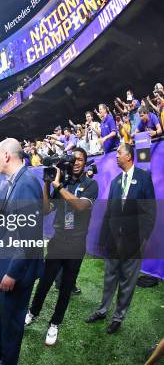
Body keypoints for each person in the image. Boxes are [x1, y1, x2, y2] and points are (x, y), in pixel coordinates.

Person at [0, 138, 43, 365]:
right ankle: (0, 351)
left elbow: (29, 236)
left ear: (6, 155)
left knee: (14, 318)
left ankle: (7, 361)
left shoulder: (26, 183)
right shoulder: (18, 180)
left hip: (18, 269)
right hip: (8, 259)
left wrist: (13, 272)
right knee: (6, 314)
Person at [24, 148, 98, 346]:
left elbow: (80, 206)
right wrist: (48, 185)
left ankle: (54, 324)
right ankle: (33, 312)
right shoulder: (63, 181)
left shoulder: (91, 184)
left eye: (80, 159)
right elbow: (46, 209)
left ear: (85, 162)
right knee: (45, 282)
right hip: (58, 240)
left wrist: (57, 185)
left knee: (65, 287)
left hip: (76, 243)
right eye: (73, 159)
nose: (75, 162)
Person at [85, 143, 155, 334]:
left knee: (127, 282)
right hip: (113, 242)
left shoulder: (143, 178)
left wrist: (143, 238)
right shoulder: (116, 181)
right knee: (109, 278)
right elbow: (109, 213)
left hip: (134, 242)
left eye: (119, 153)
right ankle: (102, 310)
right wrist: (102, 238)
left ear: (129, 156)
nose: (116, 156)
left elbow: (150, 211)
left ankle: (118, 317)